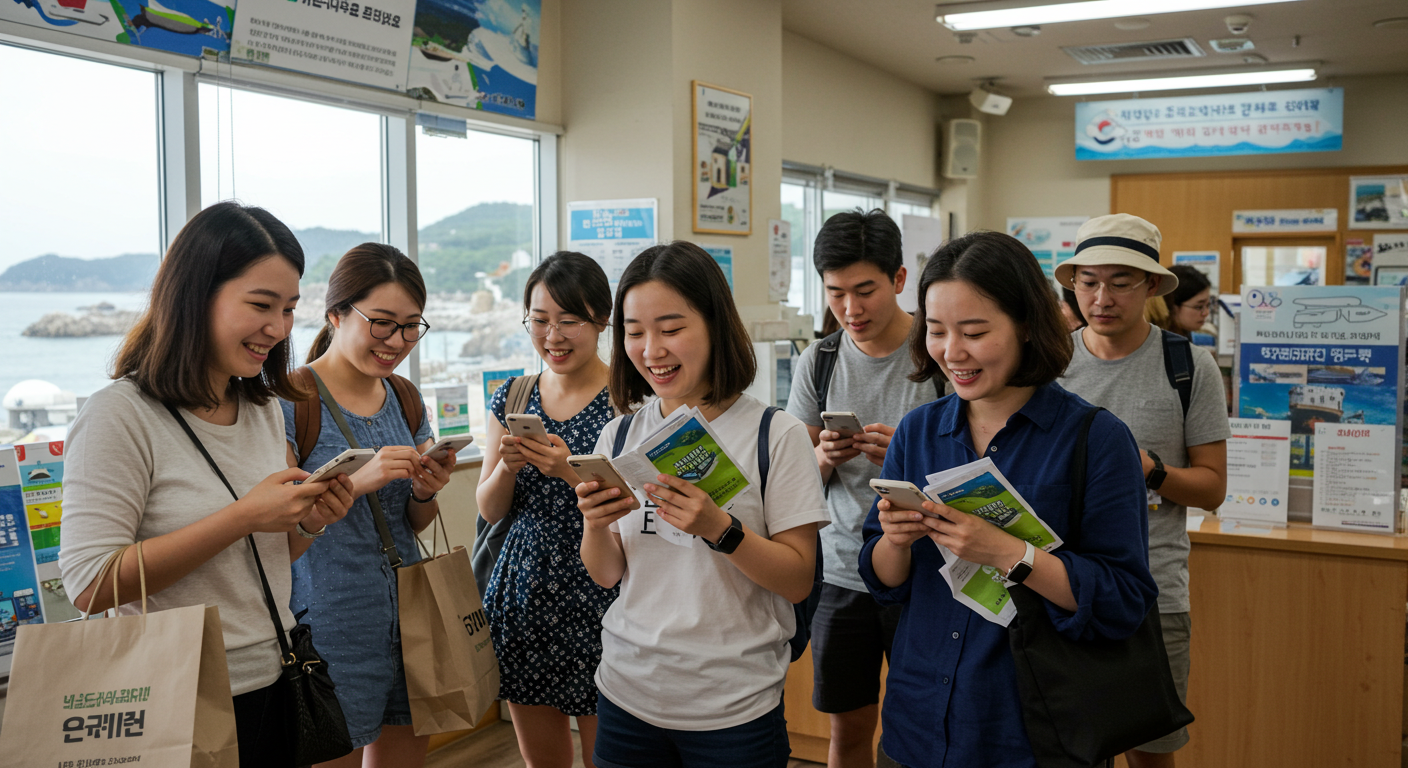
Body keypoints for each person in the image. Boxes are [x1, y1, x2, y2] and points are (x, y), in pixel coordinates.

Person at [59, 202, 356, 767]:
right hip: (176, 694)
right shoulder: (119, 416)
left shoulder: (263, 408)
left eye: (290, 309)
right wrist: (243, 514)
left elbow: (261, 556)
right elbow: (90, 583)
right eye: (261, 305)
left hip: (278, 673)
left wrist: (311, 520)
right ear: (195, 295)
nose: (279, 328)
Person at [860, 230, 1158, 767]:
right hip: (918, 721)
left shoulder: (1095, 439)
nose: (953, 352)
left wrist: (1008, 554)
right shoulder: (918, 431)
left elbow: (1121, 599)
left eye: (974, 331)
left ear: (1025, 324)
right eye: (935, 330)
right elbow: (883, 580)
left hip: (1034, 730)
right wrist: (896, 543)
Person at [576, 241, 829, 768]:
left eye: (671, 329)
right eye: (634, 332)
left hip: (733, 708)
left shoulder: (773, 434)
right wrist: (595, 526)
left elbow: (798, 579)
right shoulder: (618, 436)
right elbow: (606, 575)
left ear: (715, 324)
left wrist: (722, 529)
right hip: (626, 693)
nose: (651, 350)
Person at [1056, 214, 1230, 768]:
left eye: (1120, 282)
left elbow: (1212, 488)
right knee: (1069, 749)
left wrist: (1149, 469)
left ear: (1152, 285)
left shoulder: (1188, 365)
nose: (1101, 297)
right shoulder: (1049, 364)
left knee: (1151, 753)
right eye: (1088, 282)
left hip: (1155, 591)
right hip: (1061, 587)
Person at [283, 243, 458, 768]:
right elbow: (280, 526)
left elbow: (413, 521)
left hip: (411, 615)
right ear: (336, 314)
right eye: (382, 323)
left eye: (411, 326)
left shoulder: (405, 397)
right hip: (330, 624)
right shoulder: (292, 399)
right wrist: (360, 480)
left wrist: (427, 489)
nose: (397, 341)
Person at [784, 209, 939, 768]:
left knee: (925, 727)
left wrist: (910, 452)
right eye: (836, 292)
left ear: (899, 280)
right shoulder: (819, 361)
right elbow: (793, 483)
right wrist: (822, 457)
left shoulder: (939, 354)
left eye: (865, 290)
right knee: (846, 732)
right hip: (842, 573)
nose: (850, 309)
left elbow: (977, 463)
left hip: (930, 575)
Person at [476, 251, 619, 768]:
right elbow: (491, 510)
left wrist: (566, 471)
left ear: (602, 321)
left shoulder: (631, 398)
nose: (552, 336)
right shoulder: (513, 396)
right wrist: (507, 469)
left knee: (613, 753)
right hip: (524, 589)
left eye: (569, 321)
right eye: (540, 321)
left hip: (605, 588)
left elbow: (639, 503)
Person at [1160, 265, 1214, 339]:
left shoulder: (1183, 334)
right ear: (1172, 306)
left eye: (1208, 305)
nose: (1206, 313)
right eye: (1199, 307)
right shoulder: (1162, 341)